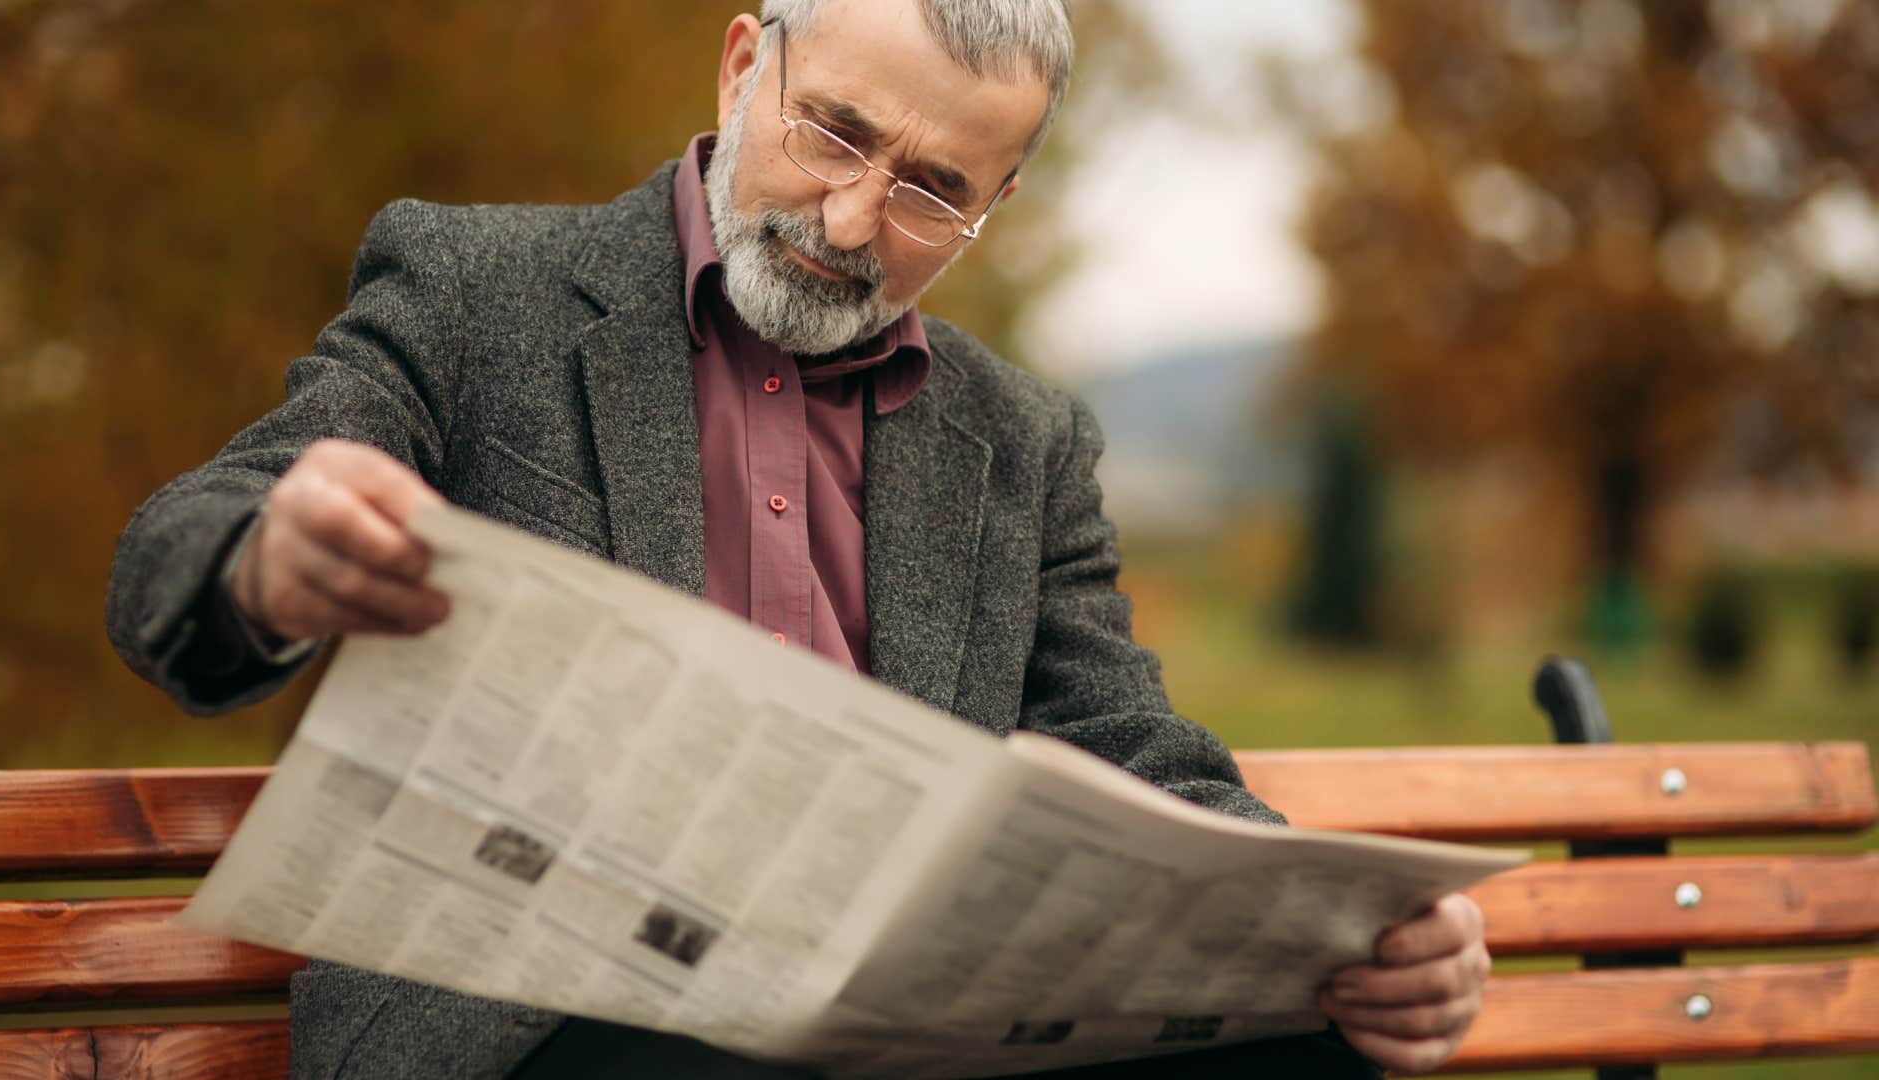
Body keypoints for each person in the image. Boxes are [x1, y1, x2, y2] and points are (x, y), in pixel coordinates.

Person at [105, 1, 1488, 1075]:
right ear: (739, 67)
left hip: (897, 1034)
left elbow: (1130, 743)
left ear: (996, 209)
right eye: (833, 132)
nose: (848, 221)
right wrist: (268, 559)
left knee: (1305, 1053)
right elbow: (191, 542)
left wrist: (1343, 936)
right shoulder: (479, 291)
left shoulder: (1025, 441)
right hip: (538, 1024)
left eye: (932, 189)